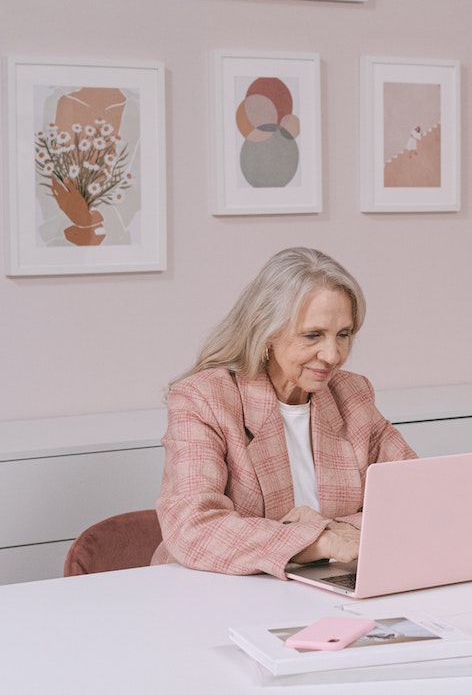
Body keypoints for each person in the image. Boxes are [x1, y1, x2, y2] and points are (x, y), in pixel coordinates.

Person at [152, 247, 417, 577]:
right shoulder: (204, 398)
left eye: (343, 335)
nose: (333, 355)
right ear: (267, 331)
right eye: (313, 335)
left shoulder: (352, 394)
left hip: (328, 584)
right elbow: (193, 527)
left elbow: (416, 498)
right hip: (215, 590)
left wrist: (322, 529)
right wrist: (319, 541)